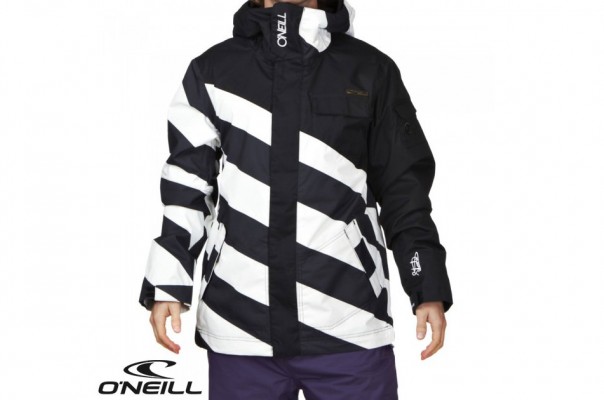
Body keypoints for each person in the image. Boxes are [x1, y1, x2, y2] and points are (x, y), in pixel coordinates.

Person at [138, 0, 453, 398]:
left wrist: (426, 283)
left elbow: (403, 189)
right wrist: (168, 283)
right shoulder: (213, 71)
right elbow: (187, 187)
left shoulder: (370, 69)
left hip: (349, 319)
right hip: (240, 324)